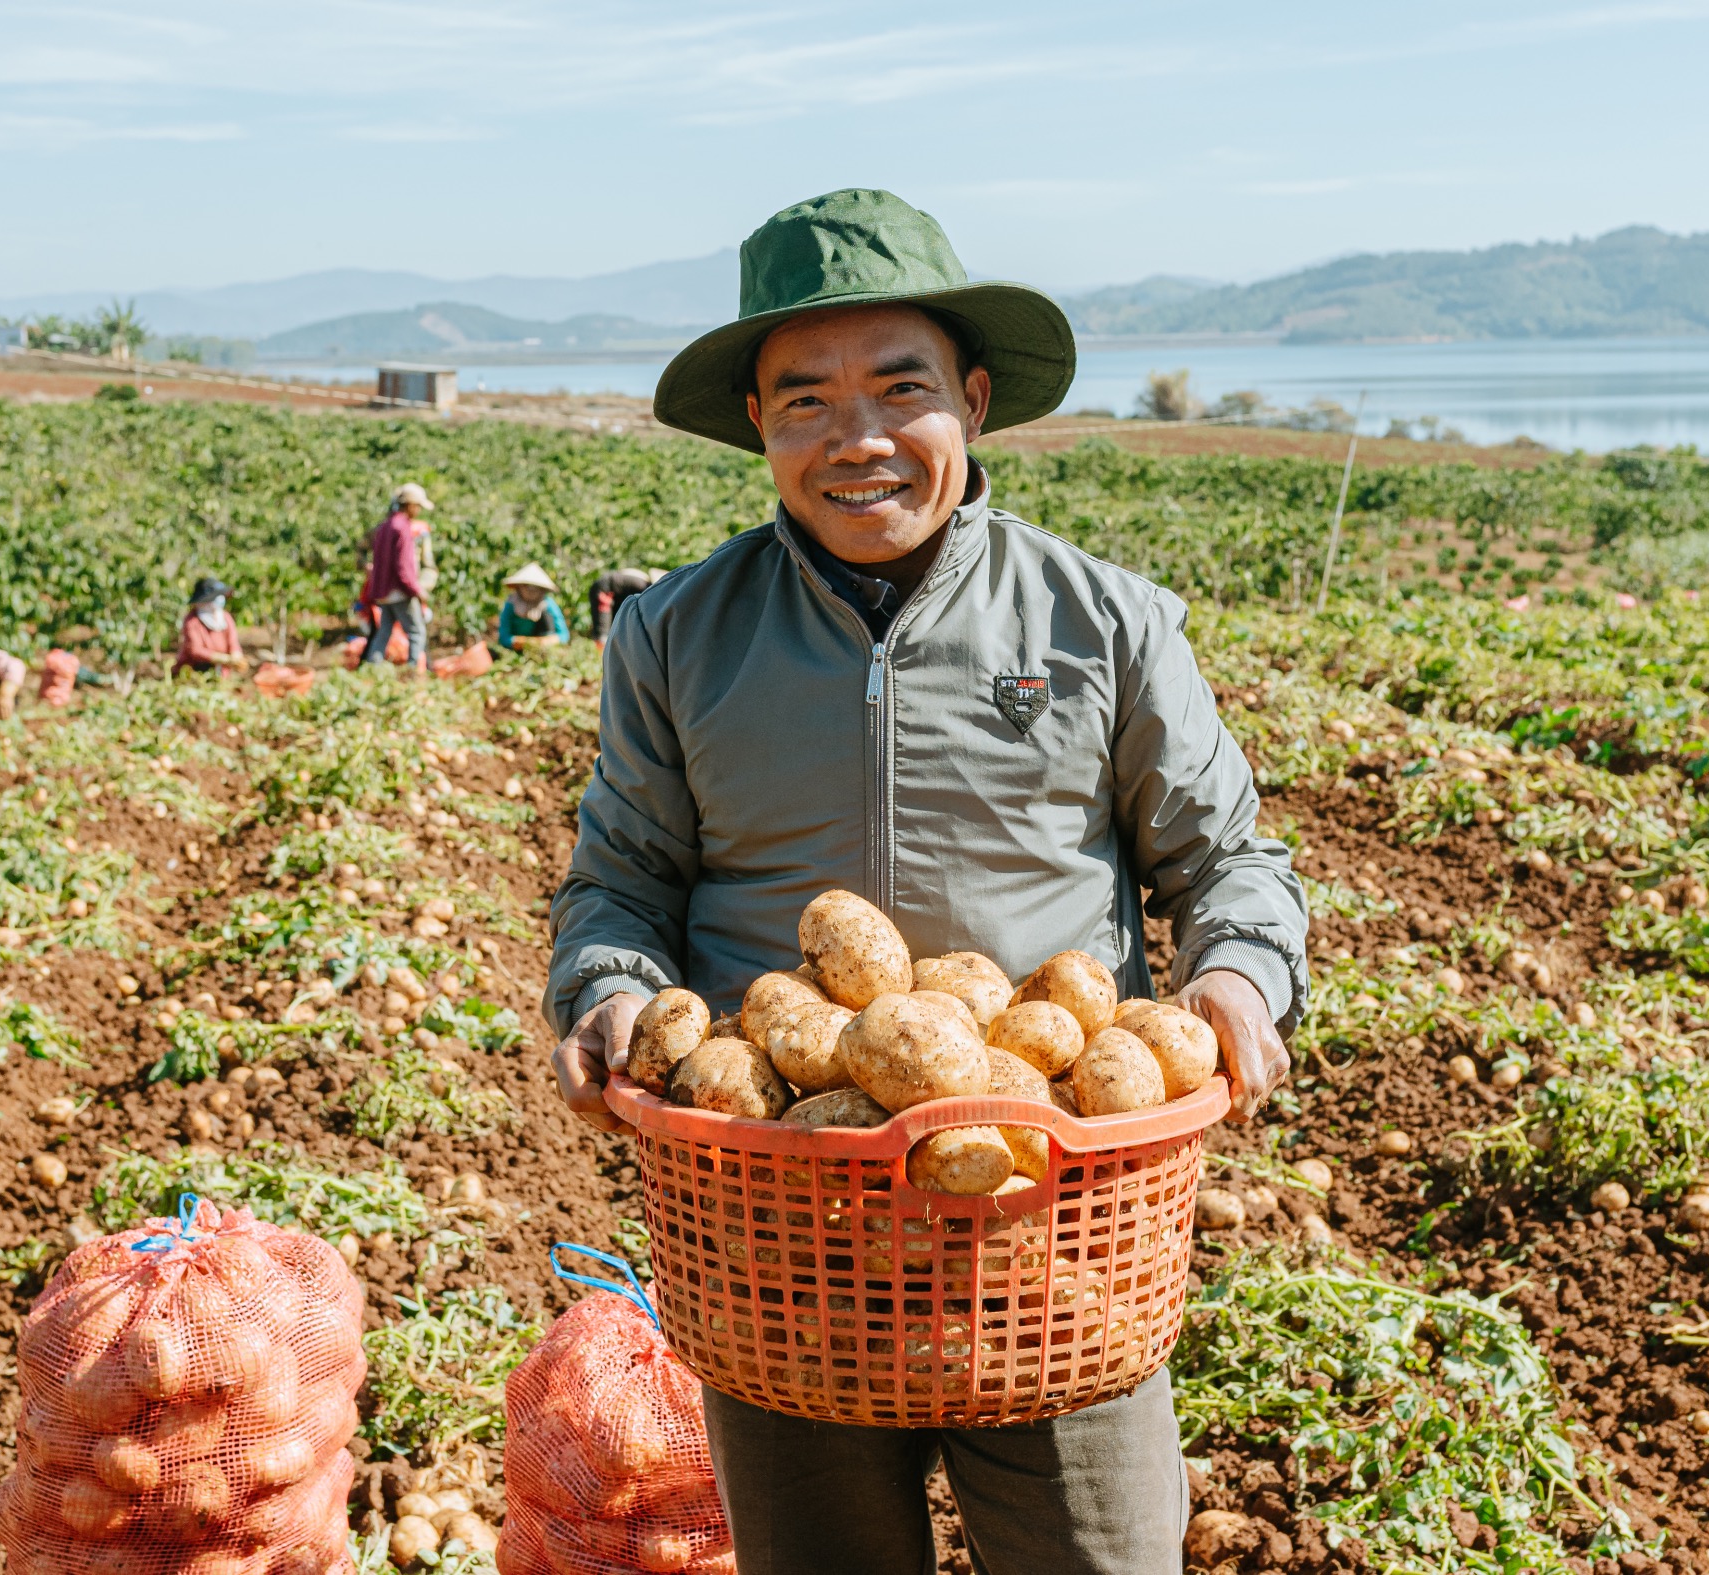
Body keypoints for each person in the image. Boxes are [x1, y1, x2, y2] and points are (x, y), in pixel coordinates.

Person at [546, 189, 1307, 1575]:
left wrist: (1237, 975)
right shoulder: (676, 634)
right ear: (763, 429)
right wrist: (605, 986)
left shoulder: (1104, 620)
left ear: (972, 398)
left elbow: (1229, 857)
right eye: (804, 403)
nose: (858, 441)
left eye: (900, 389)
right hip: (781, 1216)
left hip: (1054, 1215)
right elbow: (623, 878)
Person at [360, 482, 437, 668]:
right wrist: (416, 590)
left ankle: (372, 668)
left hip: (384, 592)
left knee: (383, 631)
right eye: (417, 506)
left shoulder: (385, 526)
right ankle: (413, 673)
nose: (418, 511)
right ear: (410, 505)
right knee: (417, 632)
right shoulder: (402, 528)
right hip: (400, 591)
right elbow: (403, 567)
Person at [176, 577, 249, 672]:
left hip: (220, 672)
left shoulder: (226, 617)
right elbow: (195, 650)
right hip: (194, 671)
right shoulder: (192, 621)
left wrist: (236, 657)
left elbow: (233, 642)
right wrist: (224, 659)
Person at [495, 564, 569, 649]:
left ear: (542, 590)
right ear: (519, 587)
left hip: (545, 648)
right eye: (526, 586)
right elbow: (504, 637)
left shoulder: (548, 604)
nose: (531, 591)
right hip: (517, 649)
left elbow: (564, 635)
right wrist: (523, 642)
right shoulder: (511, 604)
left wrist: (546, 641)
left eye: (535, 588)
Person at [587, 566, 666, 643]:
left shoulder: (642, 582)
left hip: (614, 596)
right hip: (605, 590)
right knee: (603, 634)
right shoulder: (645, 588)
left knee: (613, 634)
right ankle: (599, 654)